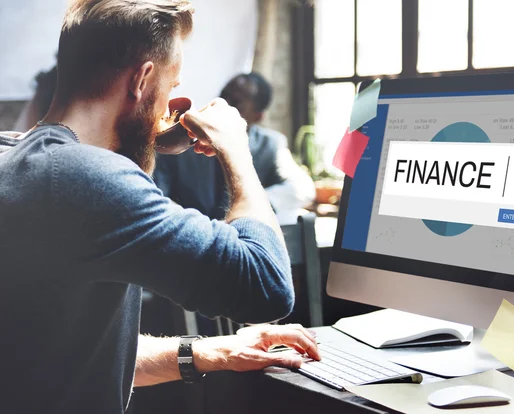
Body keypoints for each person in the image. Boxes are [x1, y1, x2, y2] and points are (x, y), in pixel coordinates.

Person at [0, 1, 319, 413]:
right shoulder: (87, 178)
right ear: (142, 79)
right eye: (171, 86)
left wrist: (214, 351)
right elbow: (268, 286)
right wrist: (237, 151)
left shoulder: (16, 157)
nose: (168, 105)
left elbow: (64, 353)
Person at [154, 72, 316, 224]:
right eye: (223, 95)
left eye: (236, 102)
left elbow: (302, 188)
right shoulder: (182, 141)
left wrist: (250, 205)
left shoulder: (270, 145)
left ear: (258, 116)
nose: (224, 104)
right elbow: (157, 196)